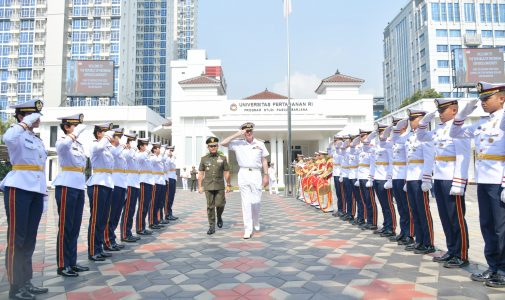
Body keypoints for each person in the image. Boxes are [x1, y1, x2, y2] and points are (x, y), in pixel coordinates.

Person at [450, 82, 505, 287]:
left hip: (498, 182)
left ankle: (503, 270)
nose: (483, 103)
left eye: (486, 99)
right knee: (487, 226)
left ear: (501, 98)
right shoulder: (482, 123)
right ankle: (493, 267)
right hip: (483, 181)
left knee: (501, 229)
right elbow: (455, 134)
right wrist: (462, 114)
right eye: (481, 99)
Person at [1, 99, 49, 299]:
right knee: (17, 239)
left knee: (29, 239)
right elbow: (7, 137)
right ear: (24, 115)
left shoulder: (36, 139)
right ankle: (15, 286)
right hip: (18, 188)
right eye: (33, 115)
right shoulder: (16, 132)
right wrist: (24, 122)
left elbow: (40, 167)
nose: (37, 119)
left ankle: (26, 281)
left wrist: (43, 194)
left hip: (35, 190)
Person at [417, 98, 470, 268]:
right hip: (439, 177)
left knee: (456, 218)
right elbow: (421, 136)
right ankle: (451, 250)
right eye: (438, 111)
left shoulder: (458, 129)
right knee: (445, 217)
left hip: (451, 178)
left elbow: (463, 156)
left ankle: (461, 254)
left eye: (442, 111)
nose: (439, 114)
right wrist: (424, 122)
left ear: (454, 111)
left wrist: (459, 182)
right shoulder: (439, 130)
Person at [52, 113, 89, 277]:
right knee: (66, 226)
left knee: (74, 227)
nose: (78, 128)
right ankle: (62, 264)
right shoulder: (63, 141)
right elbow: (61, 149)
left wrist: (75, 137)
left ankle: (72, 262)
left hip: (79, 185)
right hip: (66, 185)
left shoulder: (78, 144)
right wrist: (74, 134)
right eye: (75, 125)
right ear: (67, 127)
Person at [221, 122, 269, 239]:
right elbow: (222, 143)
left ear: (252, 131)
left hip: (256, 173)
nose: (248, 133)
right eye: (246, 131)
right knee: (246, 203)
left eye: (250, 131)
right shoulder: (238, 143)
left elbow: (264, 160)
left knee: (256, 201)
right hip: (243, 173)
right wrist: (237, 134)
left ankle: (256, 220)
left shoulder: (260, 143)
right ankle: (248, 229)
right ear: (243, 132)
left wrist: (266, 175)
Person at [404, 109, 435, 255]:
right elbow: (407, 161)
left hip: (420, 178)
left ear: (422, 120)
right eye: (410, 119)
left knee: (423, 212)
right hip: (411, 178)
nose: (411, 122)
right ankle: (419, 240)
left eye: (414, 119)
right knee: (414, 211)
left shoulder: (426, 137)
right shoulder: (410, 137)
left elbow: (429, 158)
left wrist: (427, 179)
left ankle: (428, 243)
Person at [86, 123, 115, 261]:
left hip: (107, 183)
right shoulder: (95, 145)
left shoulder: (107, 148)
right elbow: (99, 147)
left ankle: (99, 247)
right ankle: (93, 250)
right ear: (98, 134)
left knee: (104, 219)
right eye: (105, 132)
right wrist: (107, 136)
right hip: (98, 183)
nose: (108, 135)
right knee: (96, 219)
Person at [198, 137, 231, 234]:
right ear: (208, 147)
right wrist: (200, 186)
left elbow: (226, 172)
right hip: (208, 186)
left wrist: (228, 184)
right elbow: (200, 173)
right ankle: (211, 226)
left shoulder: (223, 158)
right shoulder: (204, 159)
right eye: (211, 146)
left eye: (215, 146)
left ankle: (219, 216)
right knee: (210, 206)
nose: (213, 147)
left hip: (219, 185)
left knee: (220, 204)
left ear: (217, 146)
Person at [390, 117, 415, 246]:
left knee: (407, 207)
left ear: (403, 126)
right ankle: (403, 231)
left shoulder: (408, 138)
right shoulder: (396, 139)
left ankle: (410, 234)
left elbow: (408, 160)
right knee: (400, 206)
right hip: (396, 175)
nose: (394, 129)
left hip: (404, 175)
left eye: (397, 126)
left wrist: (406, 179)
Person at [104, 128, 127, 252]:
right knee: (111, 214)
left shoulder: (119, 150)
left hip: (121, 183)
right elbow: (115, 154)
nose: (119, 139)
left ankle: (112, 238)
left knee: (117, 213)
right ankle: (107, 239)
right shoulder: (110, 149)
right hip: (114, 183)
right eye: (117, 137)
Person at [120, 133, 141, 243]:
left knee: (131, 209)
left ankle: (128, 231)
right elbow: (128, 156)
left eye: (131, 142)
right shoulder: (124, 152)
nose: (130, 144)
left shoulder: (132, 153)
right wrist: (130, 147)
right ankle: (124, 233)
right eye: (129, 142)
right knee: (127, 210)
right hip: (128, 183)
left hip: (134, 182)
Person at [136, 138, 154, 236]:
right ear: (141, 146)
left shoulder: (146, 155)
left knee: (146, 206)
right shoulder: (139, 154)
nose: (147, 147)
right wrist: (148, 150)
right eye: (145, 145)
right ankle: (139, 228)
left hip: (148, 181)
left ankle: (143, 226)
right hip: (142, 182)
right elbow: (141, 158)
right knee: (142, 206)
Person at [165, 145, 179, 221]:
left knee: (171, 197)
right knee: (168, 197)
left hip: (173, 178)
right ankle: (167, 213)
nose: (172, 152)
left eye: (172, 151)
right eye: (170, 151)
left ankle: (169, 212)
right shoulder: (167, 158)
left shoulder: (170, 158)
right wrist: (172, 157)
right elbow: (169, 165)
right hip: (169, 178)